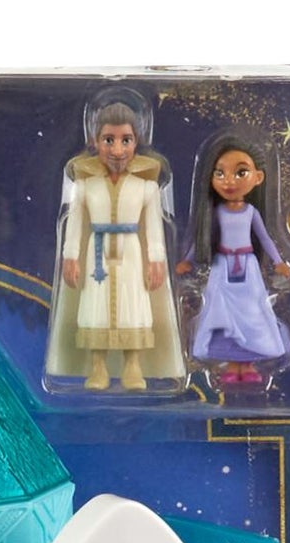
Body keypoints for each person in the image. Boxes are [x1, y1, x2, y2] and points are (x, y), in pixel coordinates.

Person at [46, 101, 185, 391]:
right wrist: (70, 257)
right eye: (109, 140)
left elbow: (154, 228)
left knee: (132, 305)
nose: (118, 150)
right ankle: (97, 367)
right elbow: (74, 224)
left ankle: (133, 366)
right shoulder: (85, 186)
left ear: (136, 141)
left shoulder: (146, 187)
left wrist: (156, 260)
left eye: (126, 140)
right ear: (95, 141)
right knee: (95, 305)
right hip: (96, 251)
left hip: (131, 253)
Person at [175, 139, 290, 388]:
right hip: (222, 267)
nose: (229, 181)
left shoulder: (251, 212)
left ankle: (248, 365)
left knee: (252, 311)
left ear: (258, 178)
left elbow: (265, 238)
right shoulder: (217, 213)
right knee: (221, 312)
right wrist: (187, 260)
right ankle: (230, 364)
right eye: (220, 173)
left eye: (240, 173)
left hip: (248, 268)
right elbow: (204, 238)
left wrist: (278, 262)